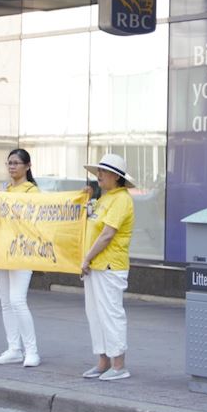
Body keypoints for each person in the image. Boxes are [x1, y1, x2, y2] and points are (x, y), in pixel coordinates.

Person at [0, 148, 42, 367]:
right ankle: (14, 349)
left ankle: (32, 351)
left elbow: (38, 223)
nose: (12, 167)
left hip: (22, 253)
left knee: (17, 300)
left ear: (28, 166)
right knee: (6, 303)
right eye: (9, 163)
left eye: (16, 163)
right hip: (0, 253)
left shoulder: (33, 192)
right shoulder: (3, 192)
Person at [79, 153, 136, 381]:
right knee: (95, 315)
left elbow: (107, 234)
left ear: (116, 176)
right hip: (95, 265)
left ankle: (119, 365)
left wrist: (86, 259)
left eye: (103, 172)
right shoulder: (104, 198)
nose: (99, 175)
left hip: (110, 266)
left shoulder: (121, 199)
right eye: (99, 171)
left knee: (110, 315)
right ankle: (103, 362)